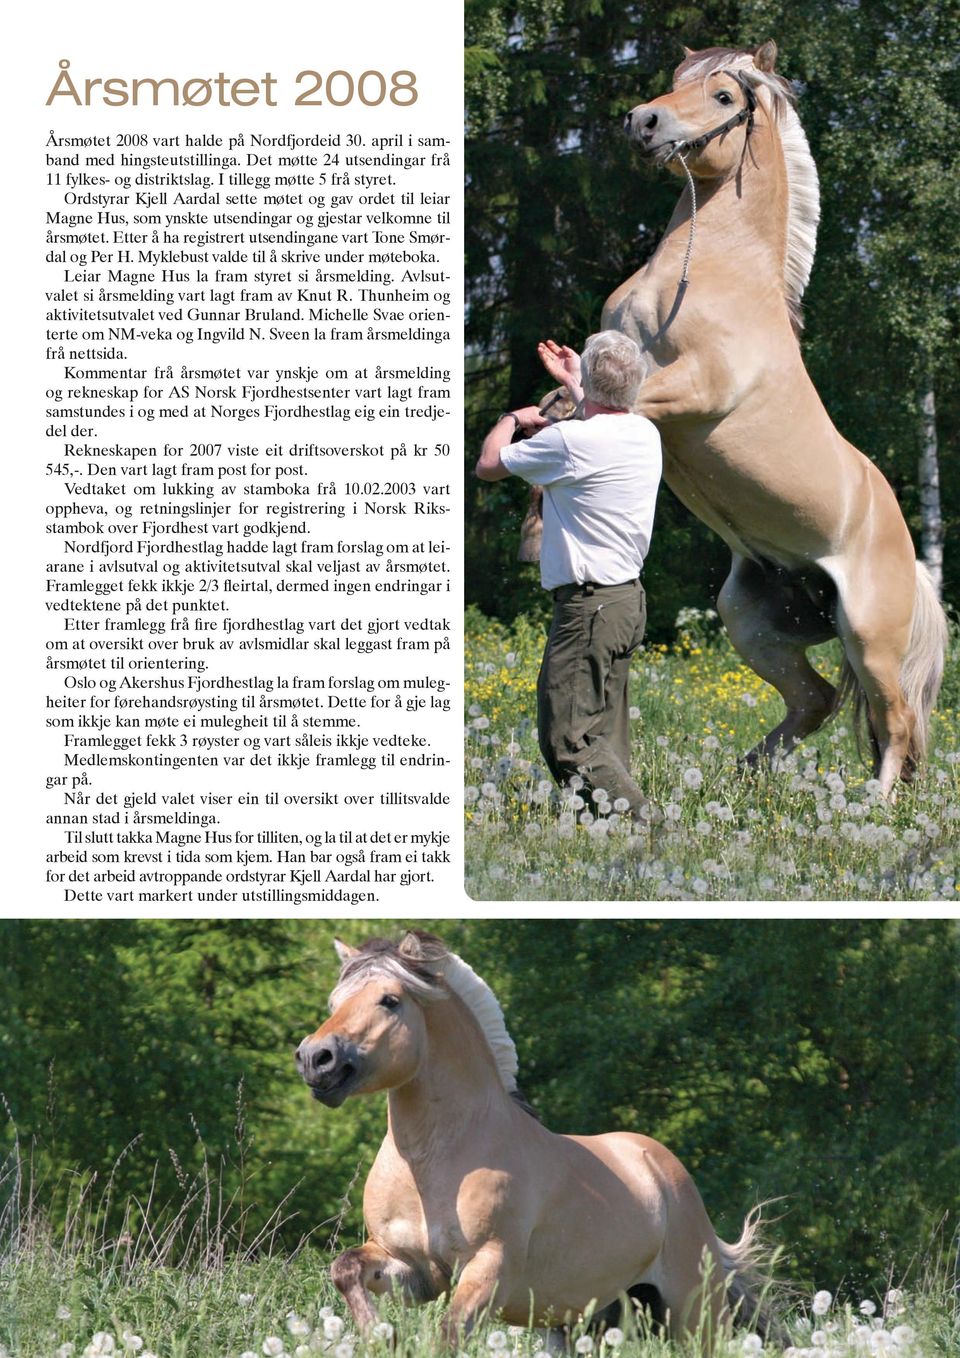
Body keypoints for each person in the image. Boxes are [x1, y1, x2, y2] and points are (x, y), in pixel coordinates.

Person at [475, 331, 662, 817]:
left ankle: (648, 829)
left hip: (589, 609)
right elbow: (603, 409)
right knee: (604, 735)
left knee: (567, 739)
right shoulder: (644, 432)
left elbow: (489, 465)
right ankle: (615, 845)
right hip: (627, 602)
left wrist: (512, 418)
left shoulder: (568, 440)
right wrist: (577, 380)